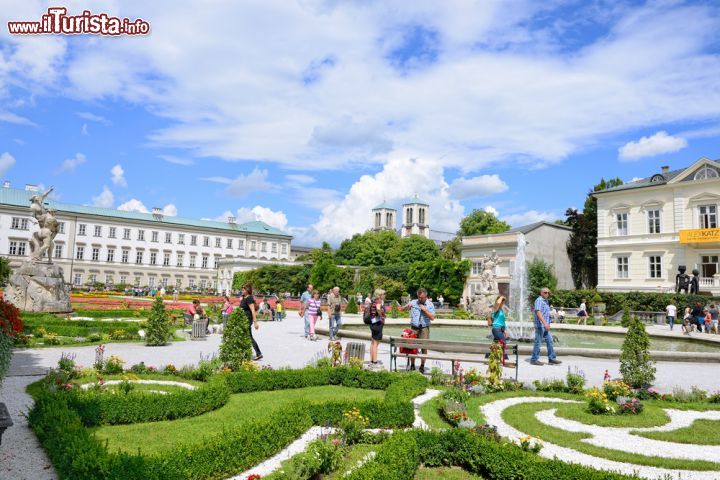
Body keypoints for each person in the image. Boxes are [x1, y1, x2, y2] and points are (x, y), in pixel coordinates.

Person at [399, 288, 435, 373]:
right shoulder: (414, 302)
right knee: (412, 347)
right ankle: (412, 365)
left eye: (422, 297)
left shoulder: (430, 305)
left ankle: (422, 366)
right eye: (419, 297)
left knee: (424, 348)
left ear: (426, 296)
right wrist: (405, 307)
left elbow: (432, 318)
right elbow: (404, 308)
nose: (420, 299)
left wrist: (425, 310)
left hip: (424, 328)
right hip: (414, 328)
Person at [530, 287, 561, 366]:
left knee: (550, 341)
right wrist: (544, 323)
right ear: (541, 293)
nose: (547, 294)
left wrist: (553, 314)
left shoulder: (546, 301)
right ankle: (534, 359)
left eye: (548, 292)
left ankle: (551, 359)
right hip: (540, 325)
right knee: (538, 342)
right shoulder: (539, 300)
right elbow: (538, 312)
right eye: (545, 292)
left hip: (545, 326)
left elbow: (545, 312)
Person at [239, 283, 262, 360]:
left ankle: (258, 353)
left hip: (247, 319)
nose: (242, 290)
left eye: (243, 289)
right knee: (245, 336)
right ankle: (245, 353)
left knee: (249, 337)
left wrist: (255, 322)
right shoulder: (245, 298)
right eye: (242, 289)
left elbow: (252, 310)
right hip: (243, 319)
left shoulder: (249, 298)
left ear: (247, 290)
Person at [488, 295, 510, 366]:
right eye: (502, 302)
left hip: (500, 329)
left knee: (497, 344)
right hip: (496, 329)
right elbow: (497, 303)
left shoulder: (500, 310)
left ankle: (494, 359)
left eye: (503, 302)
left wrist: (505, 331)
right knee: (503, 343)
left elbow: (502, 322)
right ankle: (501, 360)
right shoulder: (495, 308)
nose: (503, 303)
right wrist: (501, 297)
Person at [368, 288, 386, 366]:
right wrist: (381, 316)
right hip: (377, 324)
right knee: (376, 343)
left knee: (373, 343)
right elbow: (378, 308)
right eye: (383, 294)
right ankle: (375, 362)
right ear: (380, 295)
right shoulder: (378, 302)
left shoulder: (373, 301)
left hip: (373, 323)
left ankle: (372, 360)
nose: (384, 296)